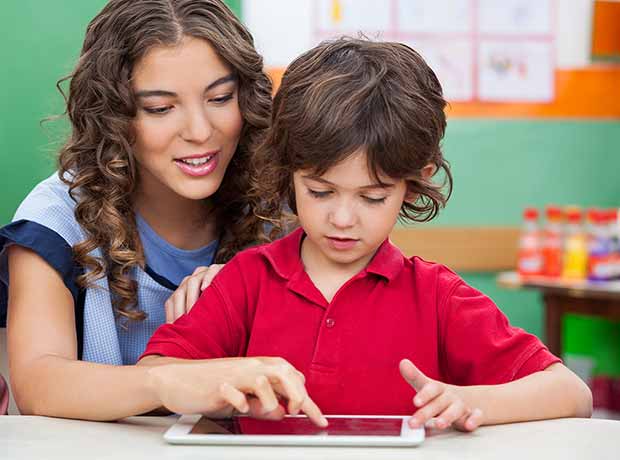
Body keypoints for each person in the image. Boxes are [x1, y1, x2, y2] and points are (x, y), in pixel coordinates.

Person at [139, 37, 593, 431]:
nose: (342, 218)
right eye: (319, 191)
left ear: (414, 181)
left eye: (372, 198)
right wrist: (222, 383)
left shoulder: (437, 298)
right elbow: (155, 376)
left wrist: (474, 400)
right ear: (288, 173)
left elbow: (571, 393)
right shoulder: (246, 282)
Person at [0, 0, 319, 422]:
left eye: (220, 97)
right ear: (113, 116)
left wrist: (261, 288)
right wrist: (167, 380)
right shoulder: (57, 217)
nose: (201, 131)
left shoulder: (291, 206)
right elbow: (38, 384)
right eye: (160, 108)